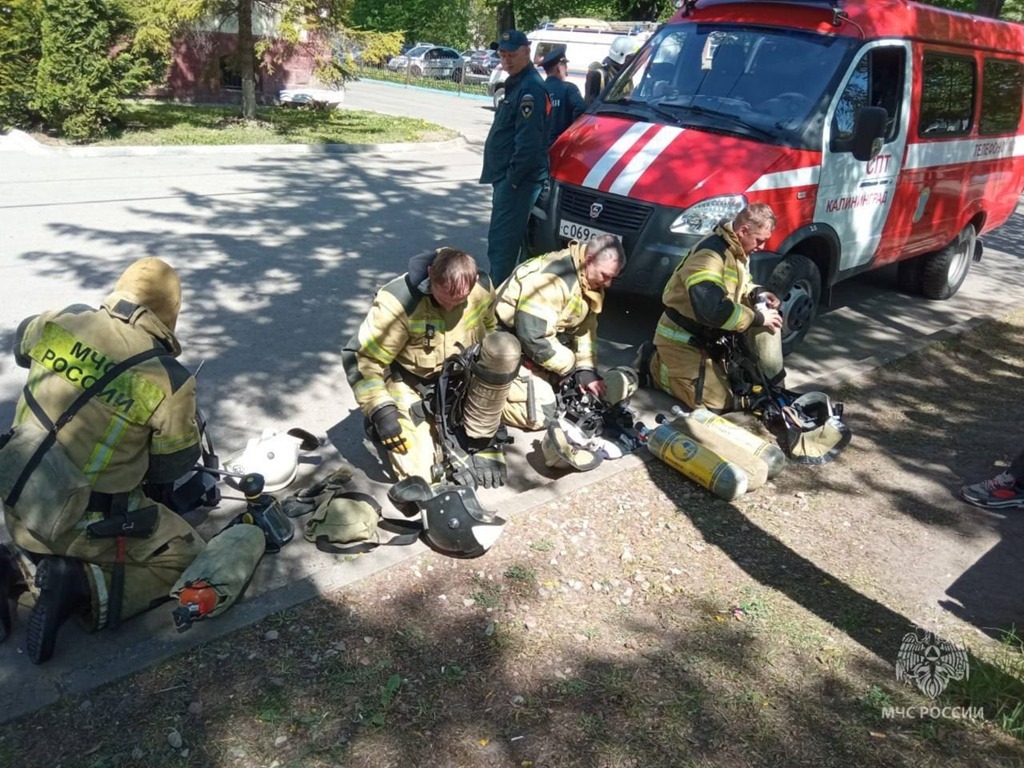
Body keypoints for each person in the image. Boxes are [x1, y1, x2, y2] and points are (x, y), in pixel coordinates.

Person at [0, 257, 206, 664]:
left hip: (18, 493)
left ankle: (15, 562)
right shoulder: (169, 378)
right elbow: (171, 468)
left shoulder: (64, 318)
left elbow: (21, 343)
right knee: (188, 554)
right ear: (169, 314)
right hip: (82, 523)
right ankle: (79, 584)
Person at [342, 247, 520, 489]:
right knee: (423, 480)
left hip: (461, 375)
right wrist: (381, 410)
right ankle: (382, 423)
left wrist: (487, 417)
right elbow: (362, 359)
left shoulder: (482, 287)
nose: (449, 308)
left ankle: (479, 438)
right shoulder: (398, 303)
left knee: (514, 365)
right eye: (443, 298)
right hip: (411, 383)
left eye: (458, 301)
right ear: (430, 276)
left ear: (475, 281)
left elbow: (490, 329)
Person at [641, 203, 785, 413]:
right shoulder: (709, 256)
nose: (762, 247)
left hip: (708, 338)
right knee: (715, 404)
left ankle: (774, 388)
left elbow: (740, 285)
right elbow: (712, 310)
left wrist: (758, 292)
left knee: (739, 388)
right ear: (743, 231)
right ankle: (651, 365)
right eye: (760, 240)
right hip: (681, 340)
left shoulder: (736, 249)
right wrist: (758, 318)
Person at [496, 235, 625, 430]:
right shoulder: (552, 280)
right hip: (504, 345)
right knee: (543, 413)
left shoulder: (588, 278)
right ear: (589, 259)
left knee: (603, 388)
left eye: (612, 278)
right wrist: (571, 369)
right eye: (605, 275)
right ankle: (482, 400)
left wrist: (586, 369)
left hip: (534, 346)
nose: (608, 284)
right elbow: (534, 338)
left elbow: (586, 330)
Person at [480, 29, 552, 287]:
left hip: (518, 181)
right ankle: (509, 298)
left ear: (527, 51)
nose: (506, 60)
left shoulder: (530, 88)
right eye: (502, 54)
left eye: (512, 54)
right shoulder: (518, 84)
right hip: (513, 179)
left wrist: (511, 181)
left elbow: (528, 144)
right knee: (516, 244)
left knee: (502, 245)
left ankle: (495, 304)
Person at [541, 45, 586, 147]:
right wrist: (570, 133)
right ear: (558, 68)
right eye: (565, 66)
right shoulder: (569, 89)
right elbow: (581, 109)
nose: (566, 71)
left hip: (541, 147)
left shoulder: (538, 90)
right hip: (561, 146)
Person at [585, 36, 637, 105]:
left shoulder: (626, 75)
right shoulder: (599, 75)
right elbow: (590, 104)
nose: (631, 61)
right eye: (629, 57)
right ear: (621, 56)